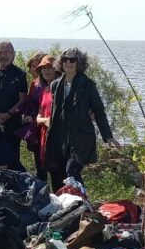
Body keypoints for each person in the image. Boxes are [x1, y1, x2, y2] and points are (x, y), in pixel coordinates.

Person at [45, 48, 121, 190]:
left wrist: (108, 136)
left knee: (71, 170)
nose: (68, 62)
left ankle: (82, 199)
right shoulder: (55, 85)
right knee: (56, 173)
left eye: (72, 60)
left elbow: (99, 111)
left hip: (80, 137)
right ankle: (61, 202)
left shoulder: (88, 85)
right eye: (65, 59)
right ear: (60, 62)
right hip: (59, 138)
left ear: (79, 62)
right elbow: (56, 112)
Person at [0, 40, 27, 153]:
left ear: (13, 54)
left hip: (12, 123)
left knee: (11, 155)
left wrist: (7, 115)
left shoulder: (20, 75)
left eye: (7, 52)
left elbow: (22, 100)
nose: (4, 55)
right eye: (0, 52)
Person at [21, 52, 50, 182]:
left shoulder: (48, 85)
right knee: (39, 162)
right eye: (31, 67)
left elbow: (43, 105)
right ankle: (42, 187)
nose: (32, 70)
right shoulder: (34, 84)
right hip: (35, 126)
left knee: (48, 163)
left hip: (44, 125)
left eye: (35, 66)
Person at [34, 55, 59, 182]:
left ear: (56, 70)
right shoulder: (44, 90)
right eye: (43, 68)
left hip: (58, 136)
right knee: (46, 170)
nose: (46, 70)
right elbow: (39, 116)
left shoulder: (61, 89)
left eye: (49, 67)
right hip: (45, 135)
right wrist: (45, 120)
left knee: (58, 173)